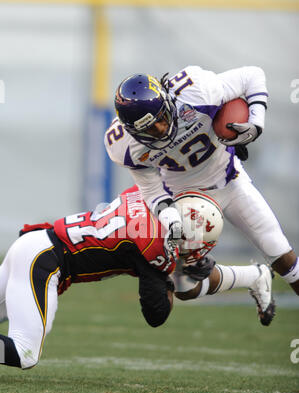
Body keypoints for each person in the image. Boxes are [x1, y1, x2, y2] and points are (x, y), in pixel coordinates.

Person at [0, 186, 274, 371]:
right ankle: (255, 275)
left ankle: (256, 275)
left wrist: (175, 267)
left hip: (37, 244)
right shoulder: (155, 245)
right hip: (43, 261)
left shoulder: (150, 194)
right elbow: (156, 314)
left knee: (186, 278)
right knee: (25, 354)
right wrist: (170, 273)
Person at [105, 65, 299, 297]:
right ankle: (254, 277)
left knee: (280, 253)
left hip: (229, 181)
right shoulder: (124, 147)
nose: (160, 129)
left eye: (161, 118)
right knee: (184, 288)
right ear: (131, 131)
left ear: (168, 101)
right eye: (148, 129)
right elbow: (152, 191)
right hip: (184, 199)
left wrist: (256, 123)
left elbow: (252, 75)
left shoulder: (196, 91)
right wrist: (172, 219)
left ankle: (264, 274)